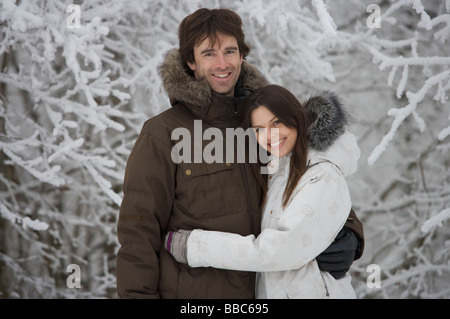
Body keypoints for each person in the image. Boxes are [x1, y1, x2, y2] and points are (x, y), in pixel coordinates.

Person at [116, 8, 364, 299]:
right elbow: (138, 231)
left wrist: (350, 232)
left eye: (230, 51)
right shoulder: (162, 134)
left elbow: (311, 174)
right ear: (190, 62)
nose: (222, 63)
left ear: (241, 55)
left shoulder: (265, 121)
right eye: (208, 53)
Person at [165, 84, 361, 298]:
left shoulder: (322, 175)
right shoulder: (279, 170)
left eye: (276, 122)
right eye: (259, 129)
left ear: (297, 116)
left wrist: (195, 246)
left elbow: (277, 251)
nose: (269, 136)